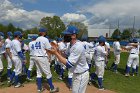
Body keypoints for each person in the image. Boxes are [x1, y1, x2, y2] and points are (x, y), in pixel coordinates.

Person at [51, 25, 89, 93]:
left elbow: (68, 64)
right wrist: (57, 50)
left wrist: (56, 53)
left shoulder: (78, 47)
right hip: (76, 73)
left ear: (74, 35)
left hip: (81, 75)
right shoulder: (70, 45)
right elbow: (65, 55)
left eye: (66, 35)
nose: (64, 36)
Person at [32, 28, 59, 93]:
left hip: (35, 57)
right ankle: (52, 88)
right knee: (48, 73)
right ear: (43, 32)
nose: (46, 32)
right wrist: (55, 49)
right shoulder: (45, 39)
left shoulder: (37, 39)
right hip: (42, 57)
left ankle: (39, 88)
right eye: (45, 32)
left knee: (39, 73)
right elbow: (49, 49)